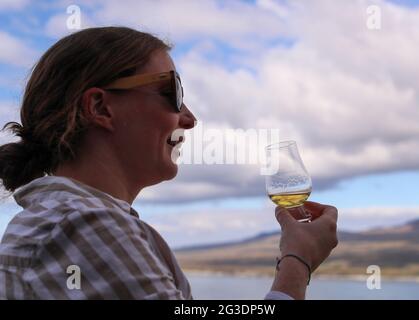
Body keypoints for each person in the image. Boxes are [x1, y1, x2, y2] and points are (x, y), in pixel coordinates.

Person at [0, 26, 338, 300]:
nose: (190, 118)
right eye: (173, 92)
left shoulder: (71, 220)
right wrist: (298, 263)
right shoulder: (82, 223)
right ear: (100, 108)